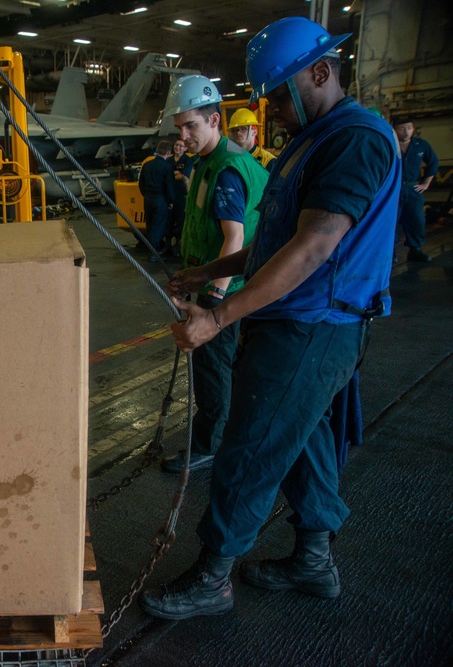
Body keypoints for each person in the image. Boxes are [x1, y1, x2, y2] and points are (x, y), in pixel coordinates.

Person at [140, 17, 400, 620]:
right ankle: (313, 561)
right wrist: (207, 273)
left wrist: (218, 317)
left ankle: (213, 575)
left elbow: (312, 249)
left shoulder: (354, 140)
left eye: (281, 93)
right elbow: (272, 243)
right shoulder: (309, 142)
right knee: (302, 441)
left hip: (313, 326)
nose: (271, 108)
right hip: (293, 321)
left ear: (321, 71)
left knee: (250, 447)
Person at [157, 75, 269, 474]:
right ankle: (223, 432)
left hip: (227, 287)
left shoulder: (225, 169)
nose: (184, 135)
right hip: (216, 279)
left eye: (192, 126)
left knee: (211, 368)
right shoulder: (208, 162)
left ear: (215, 121)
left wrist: (214, 303)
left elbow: (233, 239)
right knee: (225, 368)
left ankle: (208, 444)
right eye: (179, 128)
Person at [393, 116, 439, 262]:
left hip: (413, 188)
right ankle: (390, 253)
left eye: (409, 128)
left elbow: (433, 163)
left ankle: (415, 249)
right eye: (402, 128)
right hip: (393, 189)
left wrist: (426, 183)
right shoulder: (388, 143)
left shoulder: (420, 145)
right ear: (394, 129)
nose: (406, 132)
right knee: (390, 221)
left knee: (417, 220)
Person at [137, 140, 177, 261]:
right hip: (161, 200)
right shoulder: (167, 167)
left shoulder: (147, 165)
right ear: (169, 152)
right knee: (158, 226)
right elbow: (169, 187)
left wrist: (146, 194)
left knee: (149, 225)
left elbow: (141, 184)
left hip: (148, 198)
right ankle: (154, 254)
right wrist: (171, 201)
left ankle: (151, 248)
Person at [168, 138, 196, 256]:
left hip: (181, 195)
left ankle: (179, 245)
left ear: (185, 148)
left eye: (180, 146)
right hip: (169, 194)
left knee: (181, 220)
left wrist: (172, 174)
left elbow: (185, 176)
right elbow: (167, 175)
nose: (177, 147)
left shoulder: (187, 160)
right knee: (168, 220)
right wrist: (176, 174)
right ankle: (168, 245)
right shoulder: (168, 160)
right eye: (176, 145)